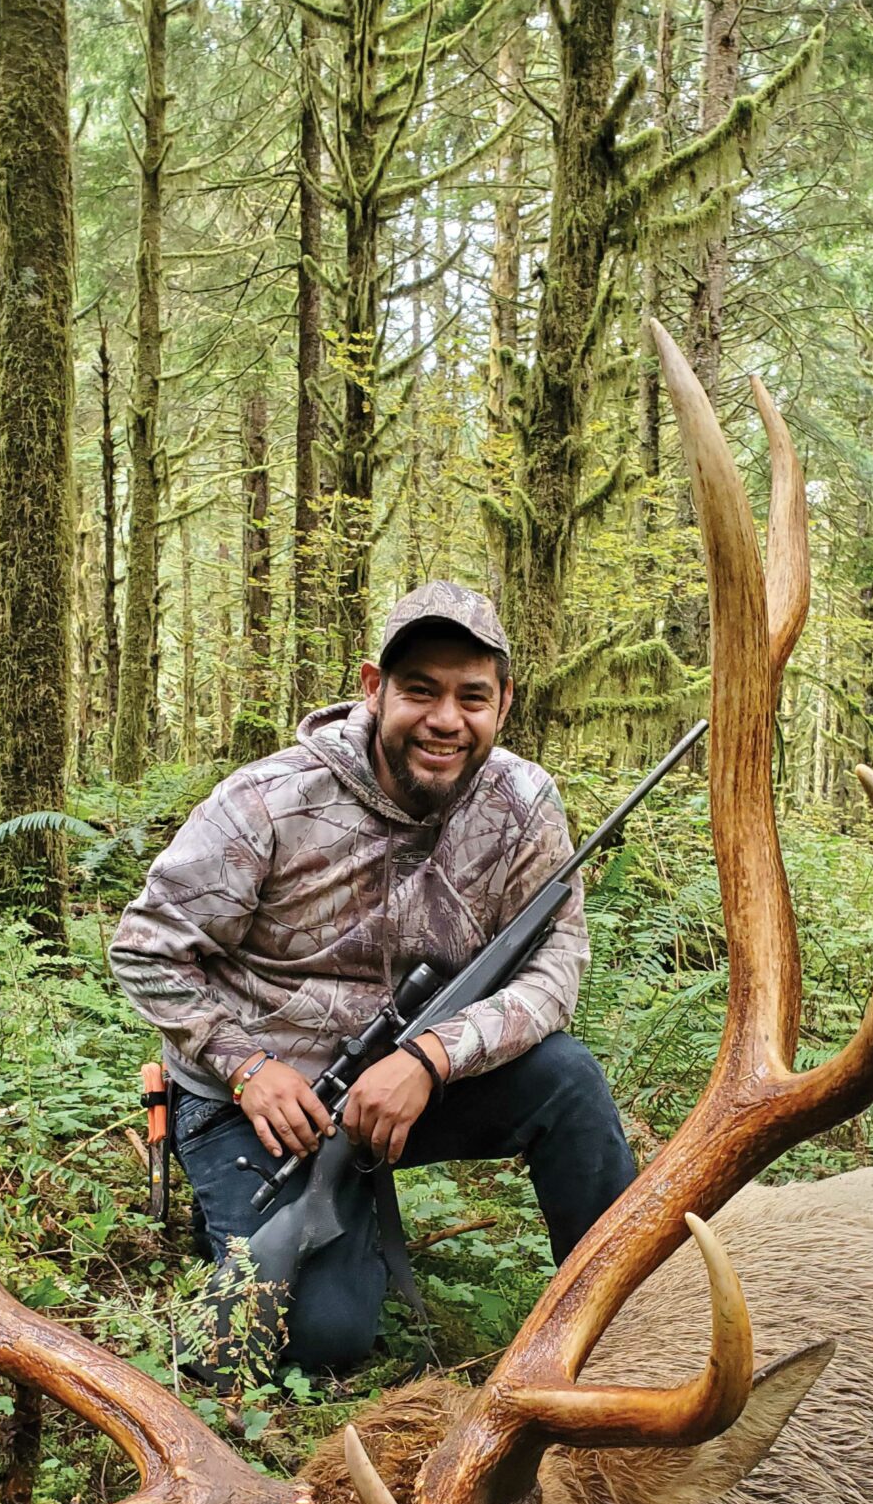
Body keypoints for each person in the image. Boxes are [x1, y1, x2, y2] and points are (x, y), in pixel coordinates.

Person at [110, 581, 636, 1376]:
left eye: (472, 697)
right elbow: (145, 948)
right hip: (259, 1107)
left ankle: (626, 1319)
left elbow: (555, 970)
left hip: (406, 1086)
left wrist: (431, 1059)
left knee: (567, 1079)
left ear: (505, 702)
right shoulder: (269, 800)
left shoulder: (524, 803)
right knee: (321, 1344)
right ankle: (257, 1211)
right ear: (371, 688)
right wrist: (247, 1068)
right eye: (420, 691)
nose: (446, 720)